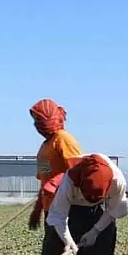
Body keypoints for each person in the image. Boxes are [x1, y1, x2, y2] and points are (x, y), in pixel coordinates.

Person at [29, 98, 83, 230]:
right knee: (51, 249)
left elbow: (79, 169)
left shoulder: (63, 139)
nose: (36, 125)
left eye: (39, 120)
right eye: (35, 121)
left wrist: (55, 182)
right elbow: (44, 180)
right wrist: (37, 209)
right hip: (51, 209)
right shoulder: (44, 147)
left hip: (68, 209)